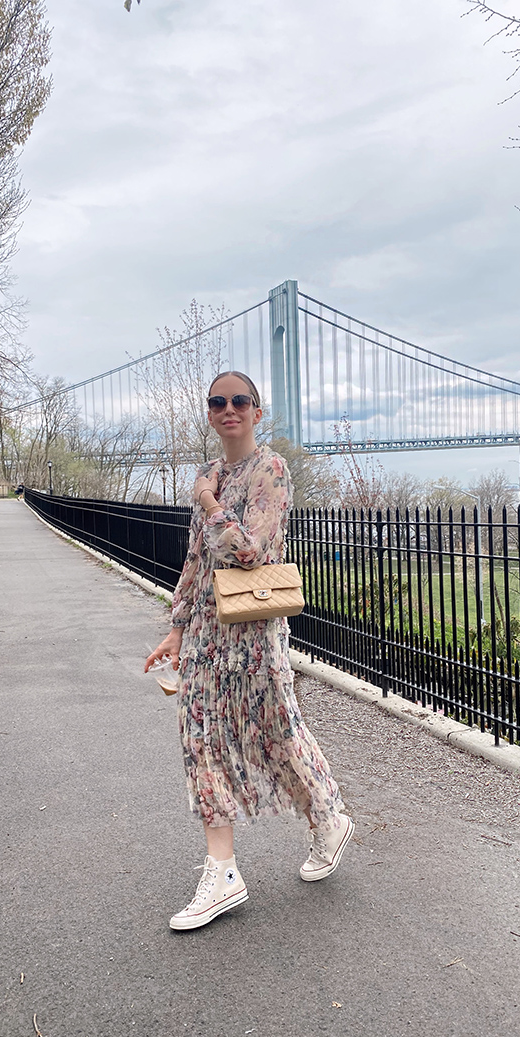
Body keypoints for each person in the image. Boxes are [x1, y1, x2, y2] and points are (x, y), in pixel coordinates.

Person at [145, 371, 354, 931]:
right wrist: (176, 628)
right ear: (210, 413)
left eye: (240, 400)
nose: (228, 409)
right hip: (207, 635)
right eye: (218, 401)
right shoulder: (205, 473)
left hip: (254, 631)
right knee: (200, 738)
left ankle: (328, 817)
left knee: (277, 732)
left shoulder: (271, 470)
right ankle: (223, 873)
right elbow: (196, 560)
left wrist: (211, 503)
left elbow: (249, 552)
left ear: (257, 412)